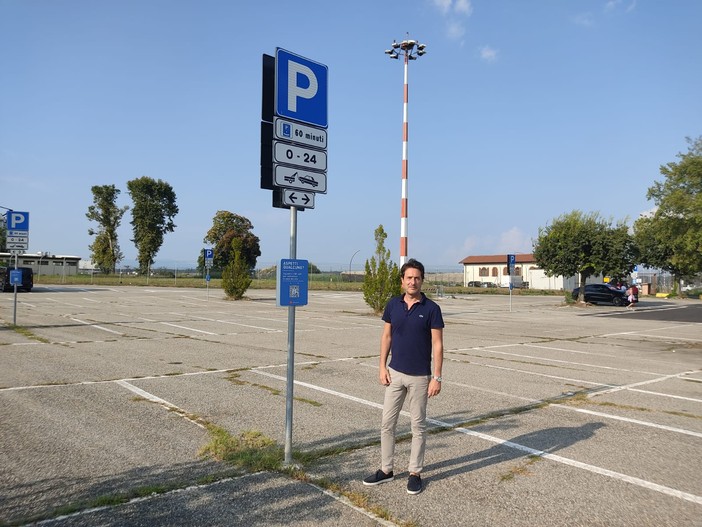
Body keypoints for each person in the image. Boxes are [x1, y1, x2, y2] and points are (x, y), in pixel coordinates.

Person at [363, 258, 445, 495]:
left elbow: (438, 345)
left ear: (422, 280)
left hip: (420, 377)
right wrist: (381, 366)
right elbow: (386, 337)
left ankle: (414, 473)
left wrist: (436, 377)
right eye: (409, 277)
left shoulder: (432, 309)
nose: (413, 281)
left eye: (417, 278)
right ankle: (386, 470)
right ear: (402, 281)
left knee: (418, 426)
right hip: (395, 374)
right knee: (387, 423)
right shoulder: (392, 305)